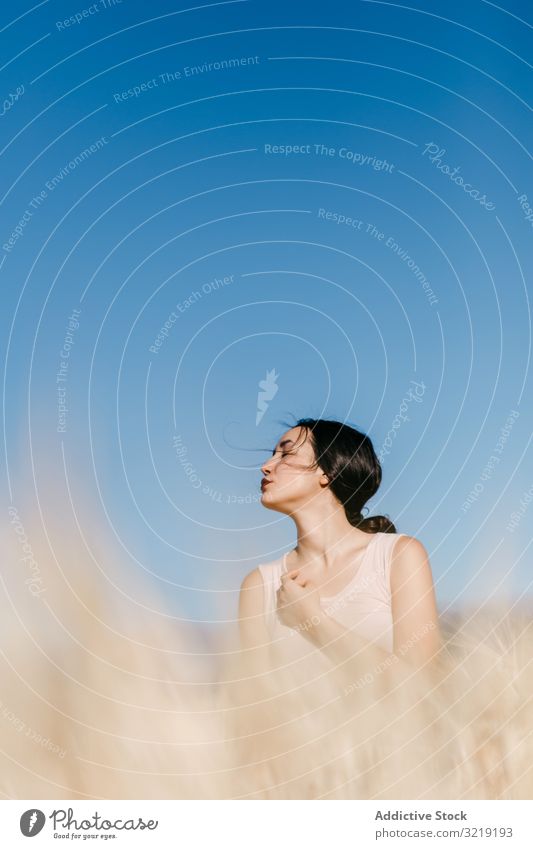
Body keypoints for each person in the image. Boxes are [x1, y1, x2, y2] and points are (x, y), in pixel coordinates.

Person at [238, 418, 442, 683]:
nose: (266, 467)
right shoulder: (259, 585)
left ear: (327, 471)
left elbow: (423, 686)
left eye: (286, 454)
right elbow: (256, 707)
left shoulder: (398, 556)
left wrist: (312, 619)